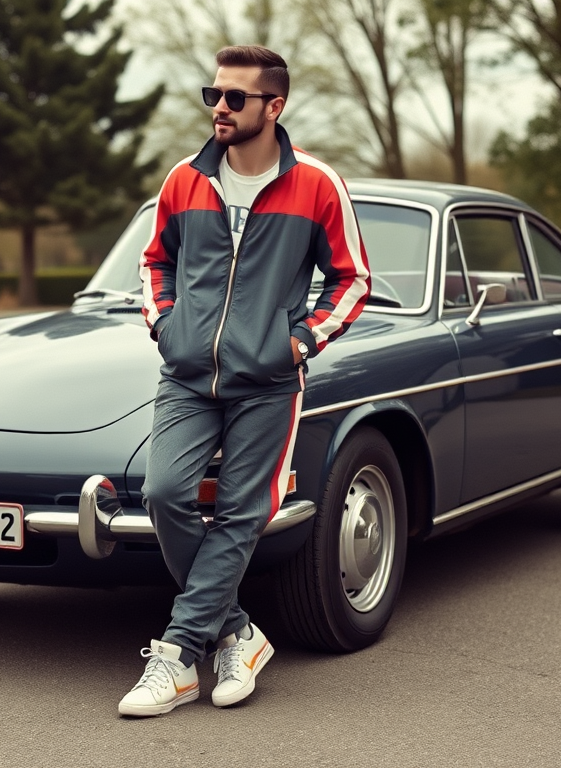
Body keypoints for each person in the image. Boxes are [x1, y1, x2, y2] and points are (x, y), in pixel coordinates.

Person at [120, 44, 370, 717]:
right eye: (214, 95)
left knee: (241, 511)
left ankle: (174, 658)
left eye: (234, 98)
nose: (219, 108)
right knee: (164, 492)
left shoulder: (316, 184)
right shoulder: (184, 179)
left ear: (274, 106)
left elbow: (353, 279)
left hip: (267, 382)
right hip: (186, 375)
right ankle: (235, 631)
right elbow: (154, 263)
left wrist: (302, 339)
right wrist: (165, 324)